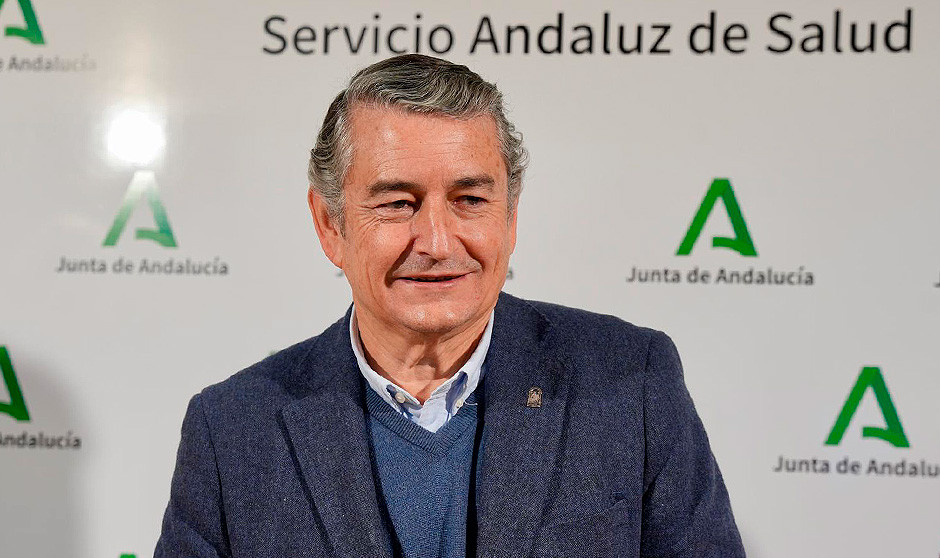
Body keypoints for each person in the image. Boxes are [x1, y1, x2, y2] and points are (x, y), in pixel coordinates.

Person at [155, 54, 745, 558]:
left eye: (469, 199)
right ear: (330, 224)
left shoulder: (631, 382)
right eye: (397, 203)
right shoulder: (232, 430)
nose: (437, 242)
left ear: (510, 217)